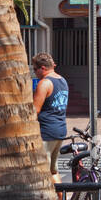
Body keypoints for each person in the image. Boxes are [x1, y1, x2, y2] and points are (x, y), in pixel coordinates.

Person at [32, 53, 69, 186]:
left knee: (43, 172)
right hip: (59, 129)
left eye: (35, 69)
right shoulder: (62, 80)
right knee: (53, 170)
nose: (34, 73)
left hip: (46, 132)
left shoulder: (45, 83)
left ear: (42, 68)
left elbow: (34, 110)